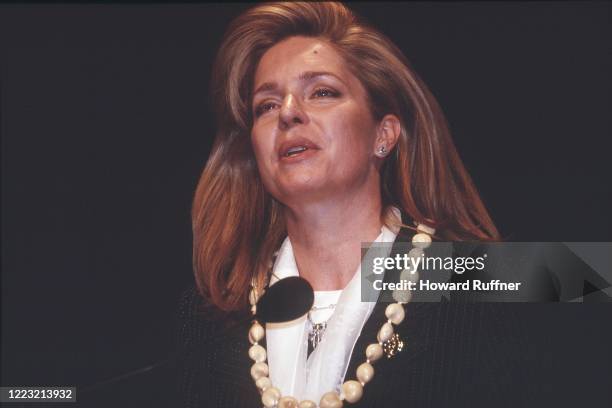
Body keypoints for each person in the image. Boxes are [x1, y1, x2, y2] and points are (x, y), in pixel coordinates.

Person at [177, 2, 534, 407]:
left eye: (322, 92)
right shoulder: (209, 316)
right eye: (267, 105)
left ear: (383, 135)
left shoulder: (491, 281)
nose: (289, 113)